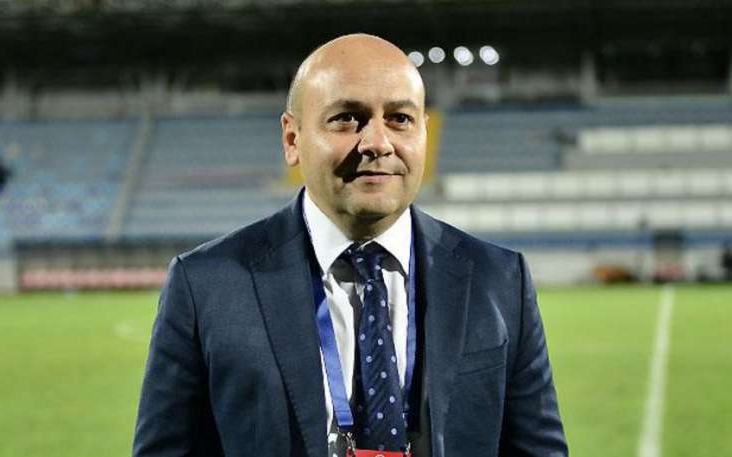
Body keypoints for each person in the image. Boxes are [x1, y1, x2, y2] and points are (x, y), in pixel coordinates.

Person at [133, 34, 567, 457]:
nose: (377, 143)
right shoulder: (206, 285)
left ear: (423, 131)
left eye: (400, 118)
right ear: (292, 139)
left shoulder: (499, 279)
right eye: (346, 118)